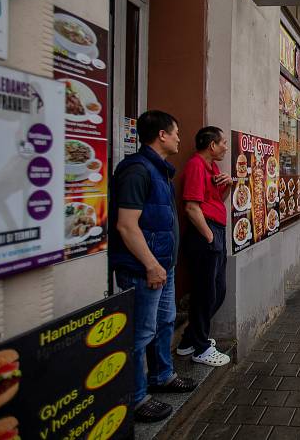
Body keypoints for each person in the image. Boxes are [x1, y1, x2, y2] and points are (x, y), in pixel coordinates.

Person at [109, 110, 197, 423]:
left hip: (163, 266)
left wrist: (164, 264)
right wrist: (150, 265)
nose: (178, 138)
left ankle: (163, 375)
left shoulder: (159, 170)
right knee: (140, 333)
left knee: (164, 323)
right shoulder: (137, 170)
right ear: (161, 135)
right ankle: (136, 397)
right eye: (176, 133)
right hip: (144, 268)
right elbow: (126, 226)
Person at [176, 126, 232, 367]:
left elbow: (217, 200)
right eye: (223, 143)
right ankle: (200, 348)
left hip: (215, 230)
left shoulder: (213, 167)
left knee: (217, 290)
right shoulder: (196, 165)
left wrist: (229, 184)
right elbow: (191, 206)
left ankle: (189, 339)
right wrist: (209, 236)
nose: (226, 147)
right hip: (205, 233)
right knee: (206, 292)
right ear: (212, 145)